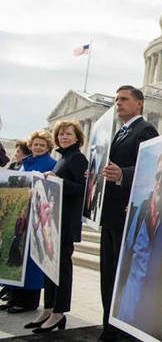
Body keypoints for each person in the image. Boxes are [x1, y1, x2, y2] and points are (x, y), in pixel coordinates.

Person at [99, 85, 158, 341]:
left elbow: (151, 167)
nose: (118, 103)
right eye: (116, 100)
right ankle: (109, 327)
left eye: (123, 99)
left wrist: (123, 174)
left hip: (126, 215)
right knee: (108, 276)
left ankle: (121, 330)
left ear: (139, 103)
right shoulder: (119, 133)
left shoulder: (145, 130)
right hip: (110, 215)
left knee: (121, 277)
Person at [27, 121, 88, 333]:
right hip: (52, 220)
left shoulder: (78, 158)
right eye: (61, 134)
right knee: (49, 267)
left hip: (66, 222)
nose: (64, 137)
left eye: (68, 134)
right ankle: (49, 308)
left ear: (77, 137)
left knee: (62, 268)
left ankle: (59, 311)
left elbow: (82, 189)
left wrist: (57, 180)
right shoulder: (63, 158)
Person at [114, 151, 162, 341]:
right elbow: (128, 246)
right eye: (158, 175)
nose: (160, 181)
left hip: (153, 295)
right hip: (131, 291)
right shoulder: (142, 207)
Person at [2, 130, 56, 314]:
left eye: (42, 145)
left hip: (38, 216)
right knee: (18, 255)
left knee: (32, 261)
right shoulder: (26, 162)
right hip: (23, 214)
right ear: (30, 146)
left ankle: (28, 302)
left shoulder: (51, 164)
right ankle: (14, 297)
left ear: (48, 147)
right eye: (35, 144)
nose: (38, 147)